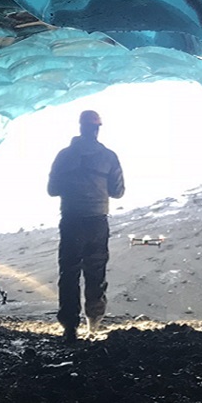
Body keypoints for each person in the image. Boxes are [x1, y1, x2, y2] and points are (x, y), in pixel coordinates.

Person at [47, 109, 125, 343]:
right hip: (97, 221)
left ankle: (70, 327)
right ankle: (94, 322)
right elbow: (118, 192)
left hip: (71, 220)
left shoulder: (64, 155)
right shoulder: (109, 156)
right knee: (95, 272)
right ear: (97, 128)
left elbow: (52, 190)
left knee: (69, 273)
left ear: (80, 127)